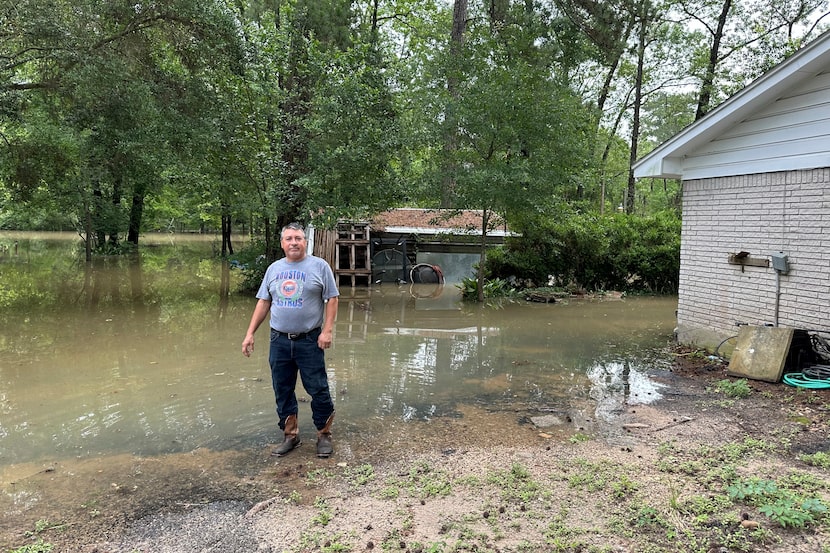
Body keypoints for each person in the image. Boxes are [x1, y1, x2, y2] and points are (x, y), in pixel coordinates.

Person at [242, 222, 340, 458]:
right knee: (282, 389)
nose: (294, 242)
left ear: (305, 241)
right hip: (279, 340)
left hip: (310, 340)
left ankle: (323, 434)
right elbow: (263, 302)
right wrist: (250, 333)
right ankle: (290, 435)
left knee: (318, 388)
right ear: (282, 243)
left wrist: (327, 331)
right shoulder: (273, 269)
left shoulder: (319, 266)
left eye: (298, 238)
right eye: (289, 238)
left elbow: (332, 298)